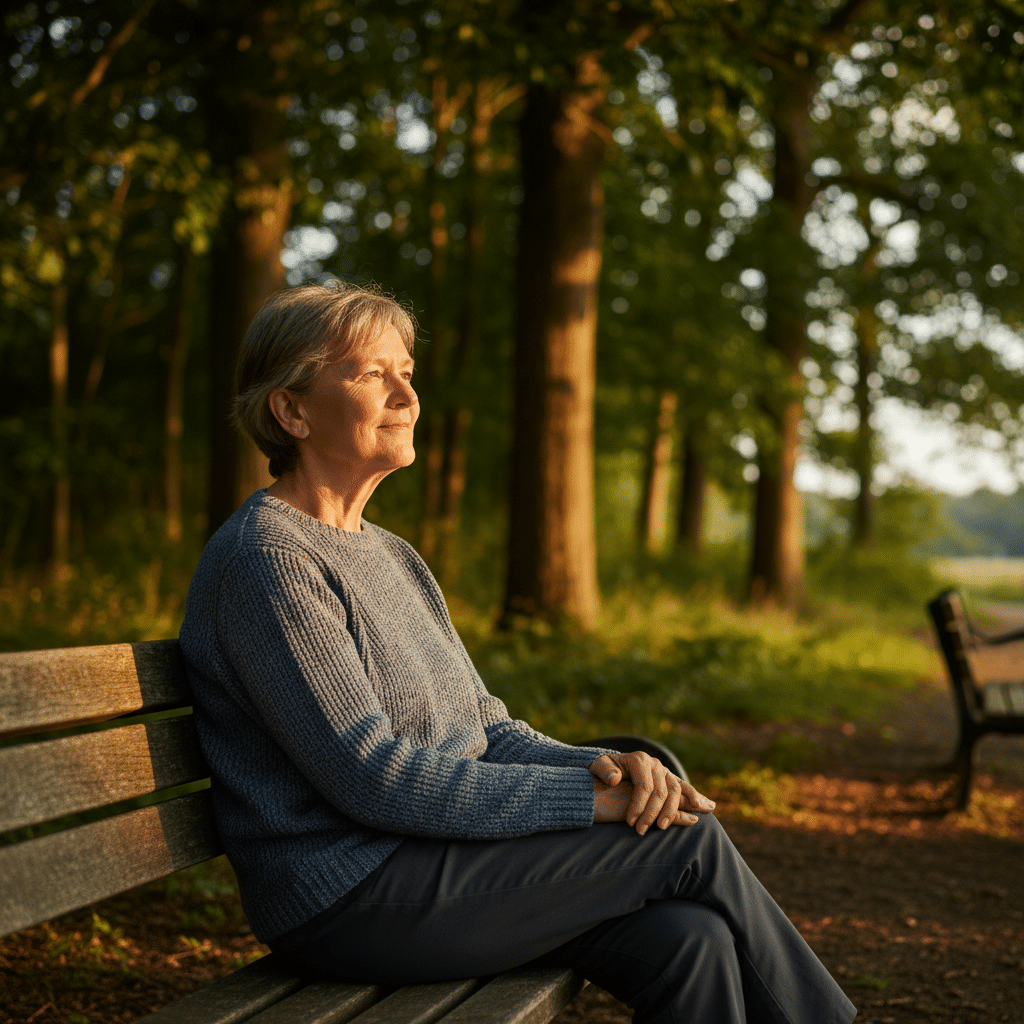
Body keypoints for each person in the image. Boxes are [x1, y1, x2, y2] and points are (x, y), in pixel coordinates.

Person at [179, 281, 856, 1024]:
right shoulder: (268, 560)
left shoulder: (393, 556)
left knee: (687, 938)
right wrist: (591, 802)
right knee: (680, 845)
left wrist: (603, 765)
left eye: (406, 369)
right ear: (292, 409)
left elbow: (488, 730)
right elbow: (374, 779)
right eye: (372, 373)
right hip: (348, 894)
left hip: (430, 868)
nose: (406, 392)